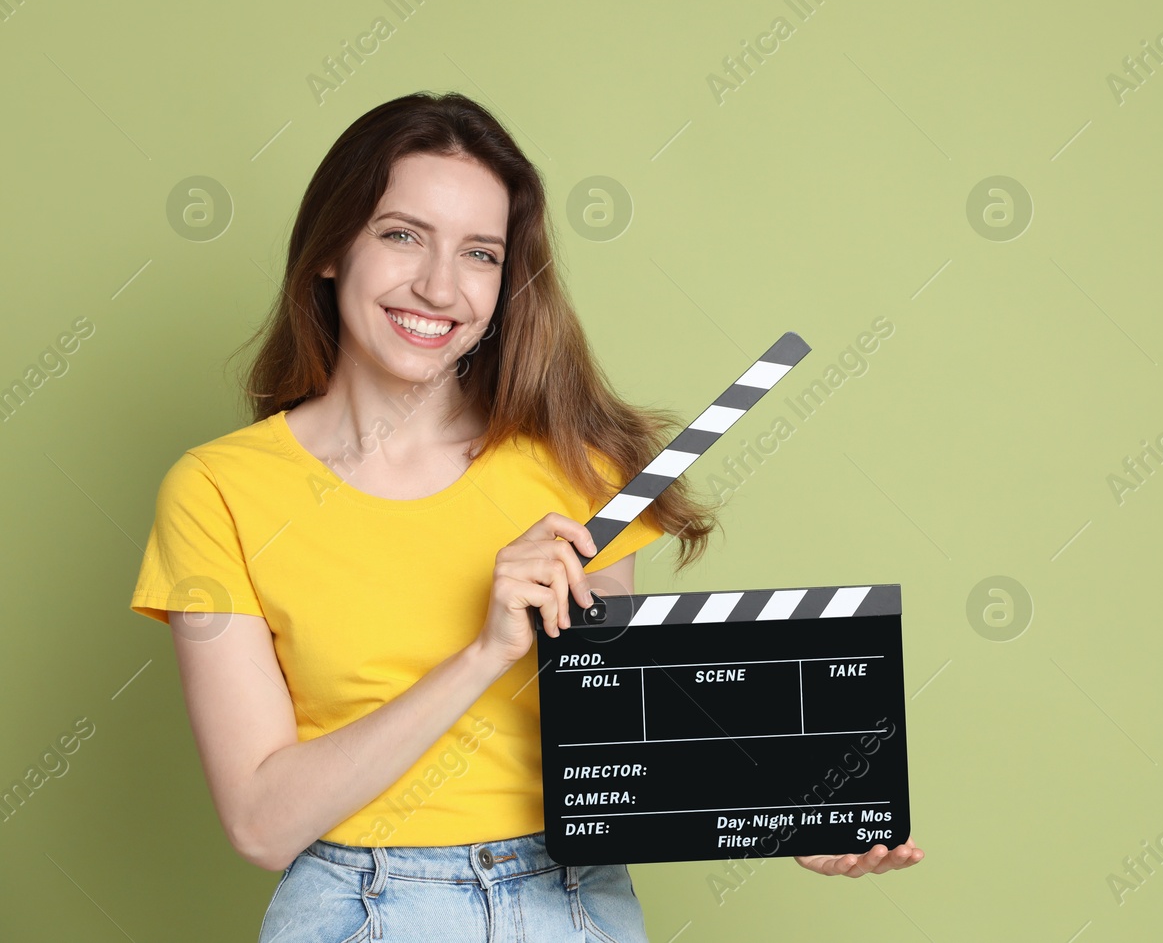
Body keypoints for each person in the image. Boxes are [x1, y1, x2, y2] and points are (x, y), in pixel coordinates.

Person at [128, 91, 923, 943]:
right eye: (402, 234)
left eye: (480, 253)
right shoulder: (219, 489)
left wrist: (785, 807)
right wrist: (484, 652)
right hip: (358, 906)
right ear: (330, 250)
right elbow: (260, 821)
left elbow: (620, 747)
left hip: (574, 902)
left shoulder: (579, 469)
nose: (439, 285)